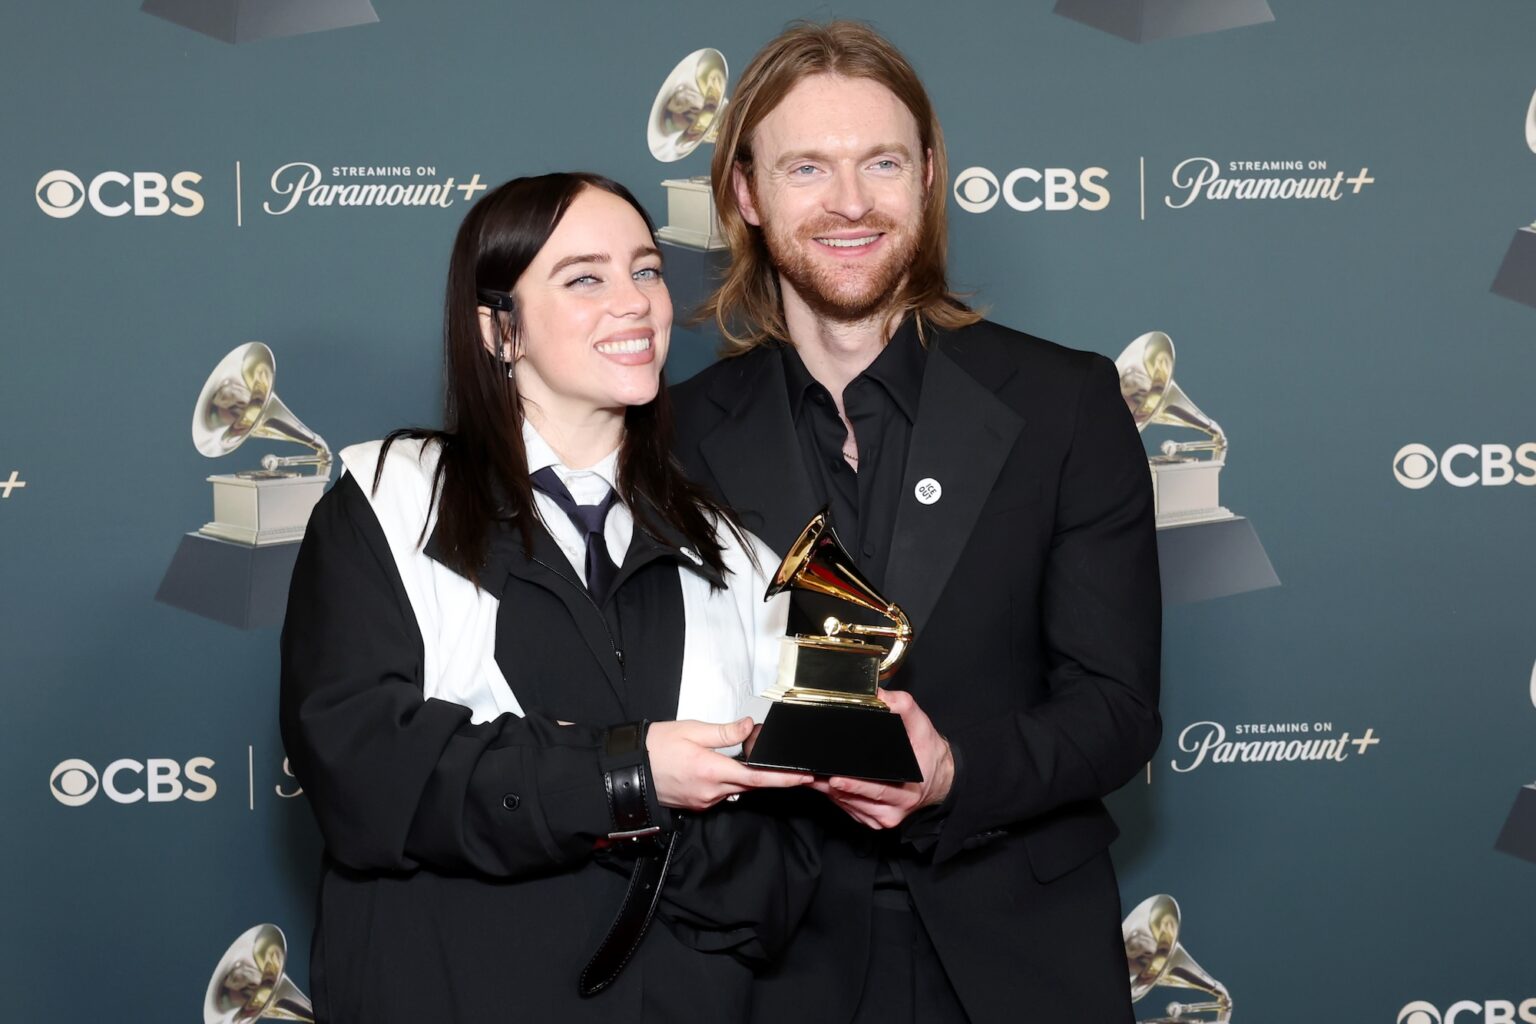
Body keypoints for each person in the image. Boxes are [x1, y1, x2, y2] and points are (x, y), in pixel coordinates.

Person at [670, 21, 1163, 1024]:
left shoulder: (1065, 403)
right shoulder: (672, 439)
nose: (850, 203)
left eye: (881, 162)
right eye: (807, 166)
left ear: (929, 178)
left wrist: (955, 772)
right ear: (744, 194)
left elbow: (1116, 710)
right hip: (765, 966)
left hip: (1019, 957)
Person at [279, 172, 819, 1024]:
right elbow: (364, 765)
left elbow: (784, 848)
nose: (634, 303)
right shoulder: (387, 498)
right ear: (499, 328)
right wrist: (624, 777)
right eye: (585, 278)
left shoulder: (732, 545)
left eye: (646, 270)